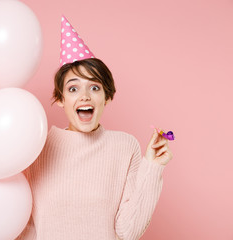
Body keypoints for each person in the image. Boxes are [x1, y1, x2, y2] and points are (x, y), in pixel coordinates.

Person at [16, 15, 173, 240]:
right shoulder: (38, 145)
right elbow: (28, 228)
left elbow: (128, 232)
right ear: (60, 99)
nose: (85, 96)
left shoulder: (125, 146)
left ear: (107, 97)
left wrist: (153, 167)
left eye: (95, 88)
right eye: (73, 89)